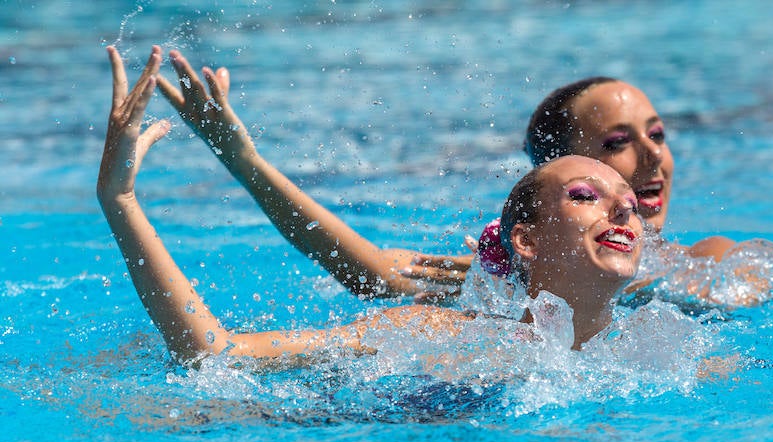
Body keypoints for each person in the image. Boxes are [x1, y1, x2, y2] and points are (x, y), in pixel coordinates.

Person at [99, 46, 643, 364]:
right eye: (586, 194)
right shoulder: (451, 336)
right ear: (523, 240)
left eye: (629, 204)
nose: (625, 209)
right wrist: (121, 199)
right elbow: (219, 357)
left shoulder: (660, 346)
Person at [155, 49, 773, 306]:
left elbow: (753, 288)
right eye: (617, 144)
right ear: (561, 173)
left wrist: (623, 280)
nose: (652, 160)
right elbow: (367, 269)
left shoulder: (707, 258)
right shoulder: (511, 270)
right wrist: (247, 163)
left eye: (657, 135)